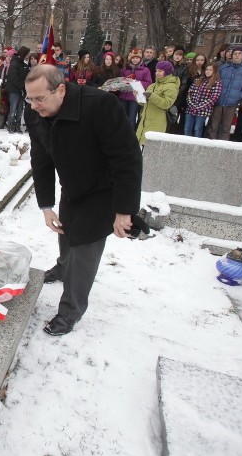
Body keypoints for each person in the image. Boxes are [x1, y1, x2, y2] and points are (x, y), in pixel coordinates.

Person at [24, 65, 142, 336]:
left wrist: (124, 210)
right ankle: (63, 267)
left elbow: (127, 158)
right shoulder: (37, 114)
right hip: (72, 187)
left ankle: (70, 312)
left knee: (83, 251)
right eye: (29, 98)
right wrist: (46, 206)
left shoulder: (100, 106)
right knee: (65, 236)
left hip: (103, 190)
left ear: (61, 89)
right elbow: (40, 159)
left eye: (39, 98)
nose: (33, 105)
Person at [210, 46, 242, 140]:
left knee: (226, 128)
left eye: (239, 54)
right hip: (219, 100)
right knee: (213, 126)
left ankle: (223, 146)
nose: (237, 56)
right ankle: (211, 145)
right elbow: (216, 81)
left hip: (232, 102)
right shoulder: (224, 67)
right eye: (235, 53)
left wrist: (240, 96)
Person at [137, 60, 180, 145]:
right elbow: (143, 103)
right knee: (141, 147)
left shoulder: (171, 87)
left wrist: (151, 96)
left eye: (160, 71)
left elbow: (166, 104)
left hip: (157, 121)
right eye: (156, 70)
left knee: (150, 146)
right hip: (145, 120)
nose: (157, 73)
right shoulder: (152, 85)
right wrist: (138, 95)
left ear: (167, 72)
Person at [184, 63, 222, 138]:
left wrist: (199, 107)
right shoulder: (197, 80)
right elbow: (189, 93)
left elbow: (213, 98)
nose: (208, 71)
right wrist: (191, 105)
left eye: (210, 70)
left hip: (202, 111)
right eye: (207, 69)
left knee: (197, 129)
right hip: (191, 109)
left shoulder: (216, 82)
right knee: (187, 128)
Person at [119, 48, 152, 126]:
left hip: (135, 98)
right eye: (133, 58)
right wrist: (124, 81)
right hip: (123, 97)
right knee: (122, 118)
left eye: (137, 58)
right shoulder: (125, 69)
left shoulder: (145, 70)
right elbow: (120, 81)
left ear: (140, 59)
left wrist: (136, 82)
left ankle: (130, 136)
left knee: (131, 118)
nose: (135, 60)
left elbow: (148, 83)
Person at [5, 46, 30, 133]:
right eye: (27, 54)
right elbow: (13, 77)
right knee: (13, 108)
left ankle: (17, 125)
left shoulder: (24, 65)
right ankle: (11, 125)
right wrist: (22, 86)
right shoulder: (14, 63)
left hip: (21, 90)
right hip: (14, 90)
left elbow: (27, 77)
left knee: (20, 109)